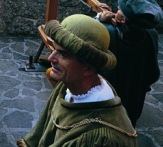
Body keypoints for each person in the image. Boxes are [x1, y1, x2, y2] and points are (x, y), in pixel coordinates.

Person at [17, 14, 137, 147]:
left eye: (63, 54)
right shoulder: (68, 84)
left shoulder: (100, 137)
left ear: (88, 69)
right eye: (54, 49)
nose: (51, 58)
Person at [95, 0, 163, 127]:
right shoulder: (151, 34)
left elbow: (89, 34)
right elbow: (152, 73)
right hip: (135, 93)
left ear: (124, 19)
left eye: (119, 9)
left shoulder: (108, 33)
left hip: (108, 95)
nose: (116, 11)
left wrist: (99, 20)